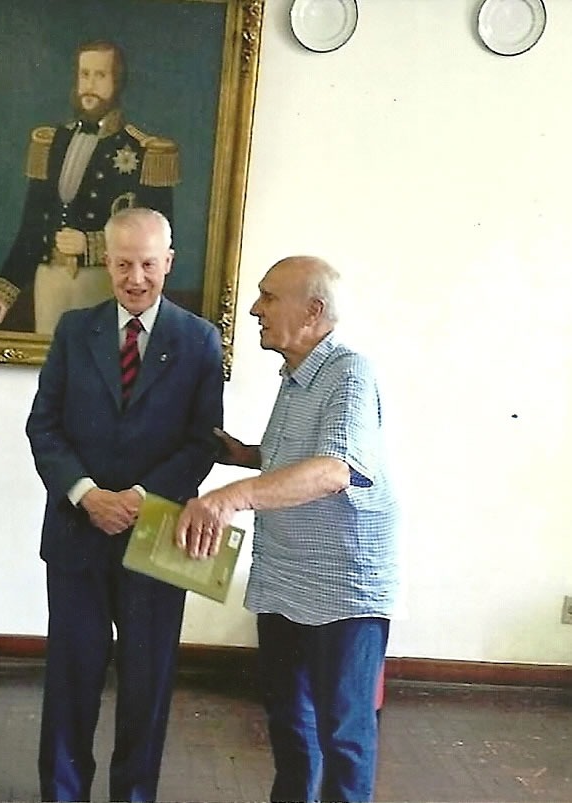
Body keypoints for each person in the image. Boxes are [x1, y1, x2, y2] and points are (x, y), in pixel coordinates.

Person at [176, 256, 399, 803]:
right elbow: (296, 456)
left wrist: (231, 496)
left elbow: (334, 468)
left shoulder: (349, 372)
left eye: (269, 297)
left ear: (313, 310)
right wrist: (245, 455)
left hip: (342, 588)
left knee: (343, 732)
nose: (255, 308)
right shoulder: (296, 376)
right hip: (285, 579)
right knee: (288, 722)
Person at [26, 207, 223, 802]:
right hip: (77, 533)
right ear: (104, 262)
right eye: (122, 264)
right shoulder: (72, 330)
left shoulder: (199, 340)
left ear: (168, 262)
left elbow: (201, 441)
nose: (135, 278)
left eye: (147, 264)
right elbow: (45, 428)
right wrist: (88, 496)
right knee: (71, 681)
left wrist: (136, 499)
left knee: (148, 685)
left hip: (160, 532)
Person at [0, 39, 179, 335]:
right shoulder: (52, 142)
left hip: (103, 283)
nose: (90, 85)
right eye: (84, 75)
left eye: (100, 75)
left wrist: (91, 244)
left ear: (117, 82)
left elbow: (159, 242)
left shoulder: (145, 151)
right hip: (50, 280)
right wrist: (2, 293)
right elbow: (32, 227)